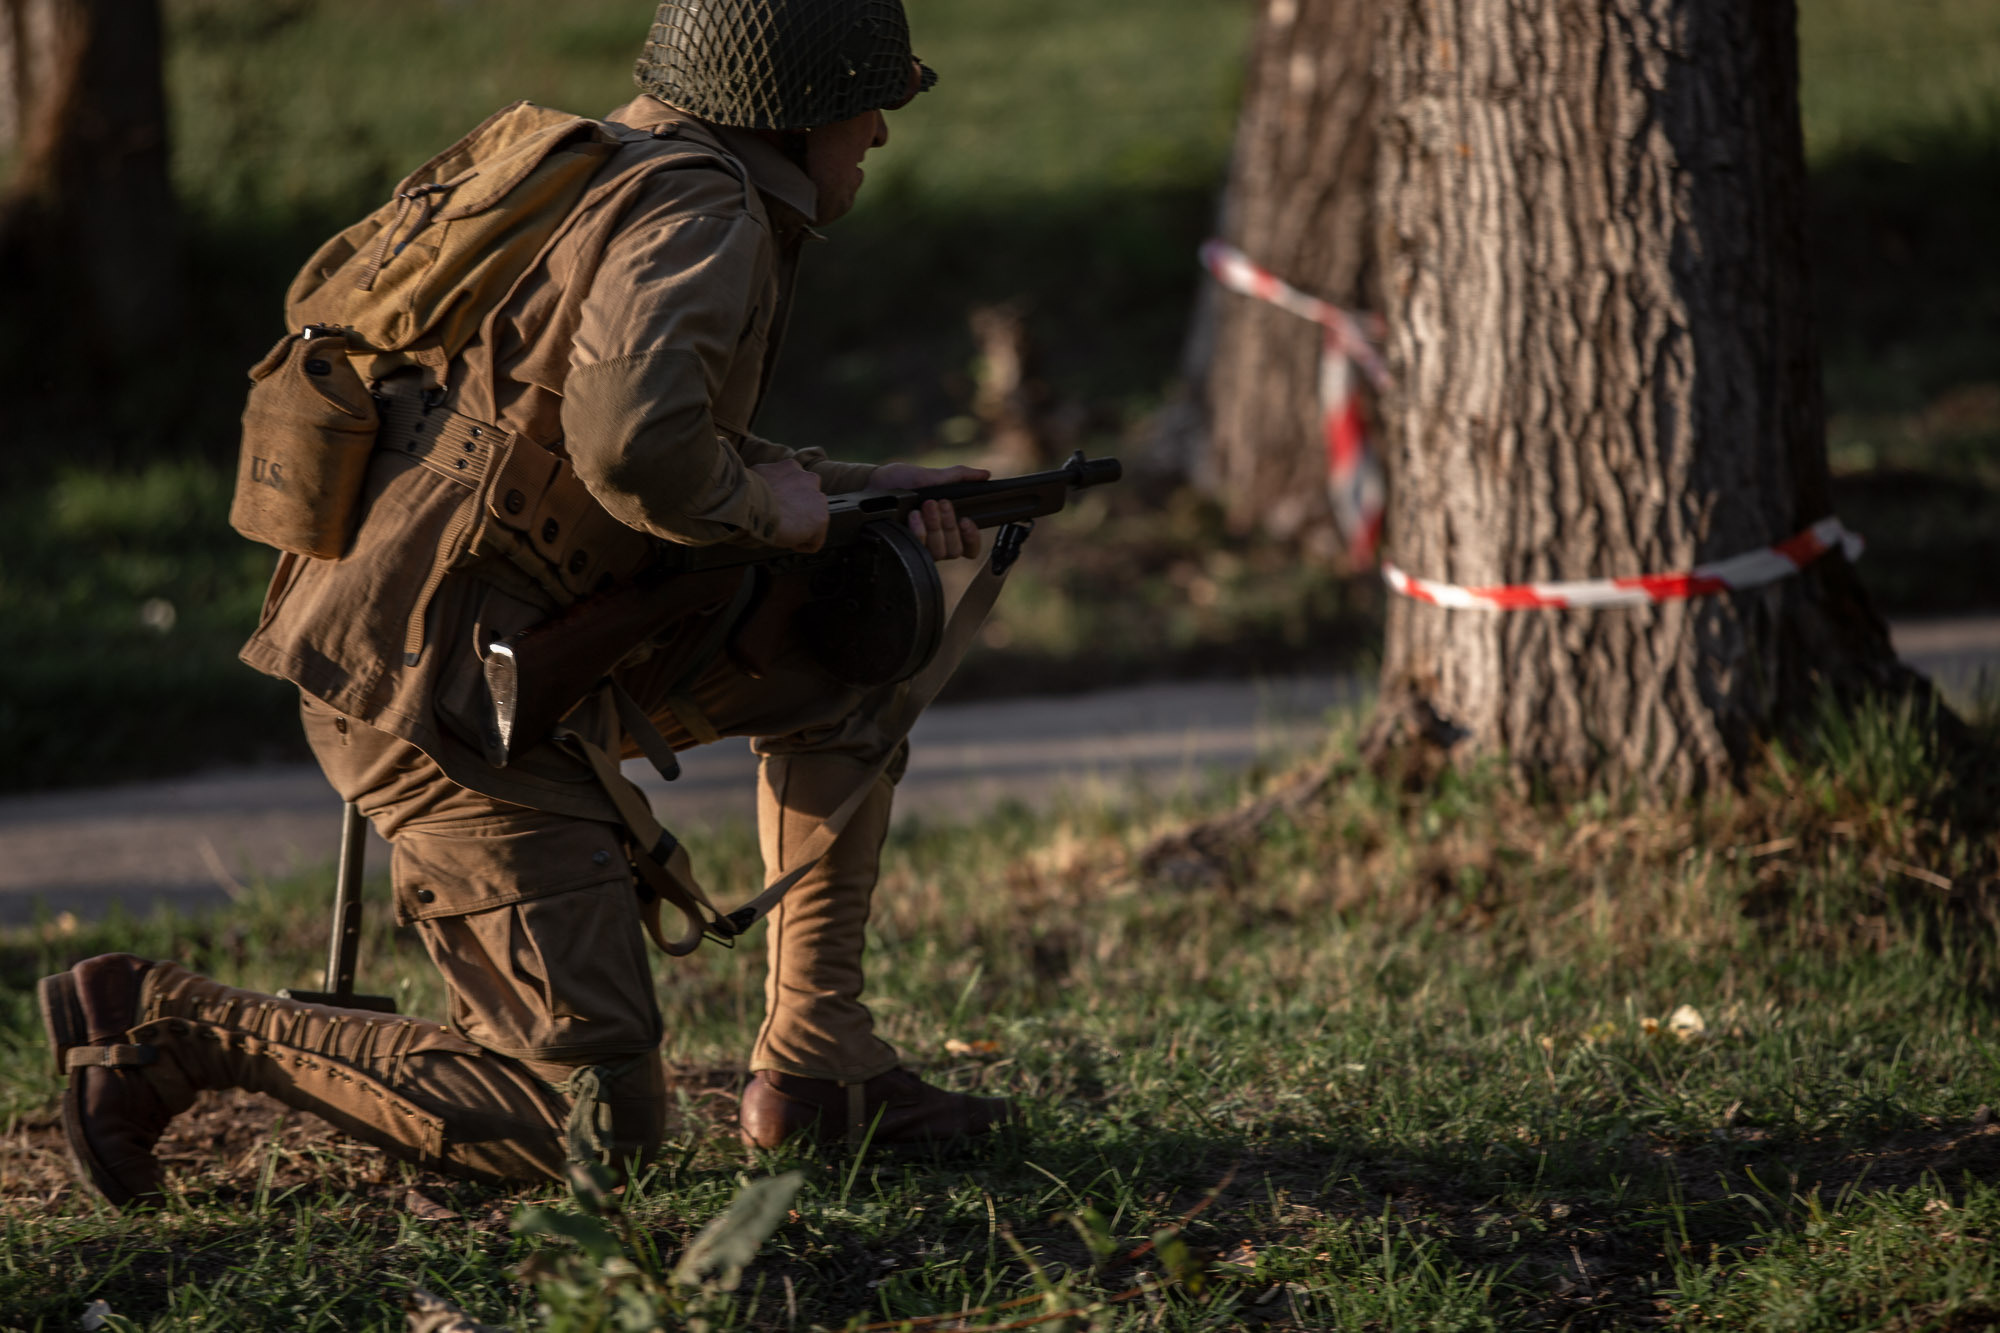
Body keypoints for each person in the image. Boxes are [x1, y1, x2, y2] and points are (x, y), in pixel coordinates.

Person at [39, 0, 1014, 1207]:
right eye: (869, 103)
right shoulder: (701, 211)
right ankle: (165, 1022)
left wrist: (860, 492)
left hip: (521, 639)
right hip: (450, 693)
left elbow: (601, 436)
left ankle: (823, 1065)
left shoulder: (617, 172)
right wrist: (779, 515)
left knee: (851, 632)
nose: (877, 131)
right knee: (586, 1135)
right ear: (798, 109)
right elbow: (636, 448)